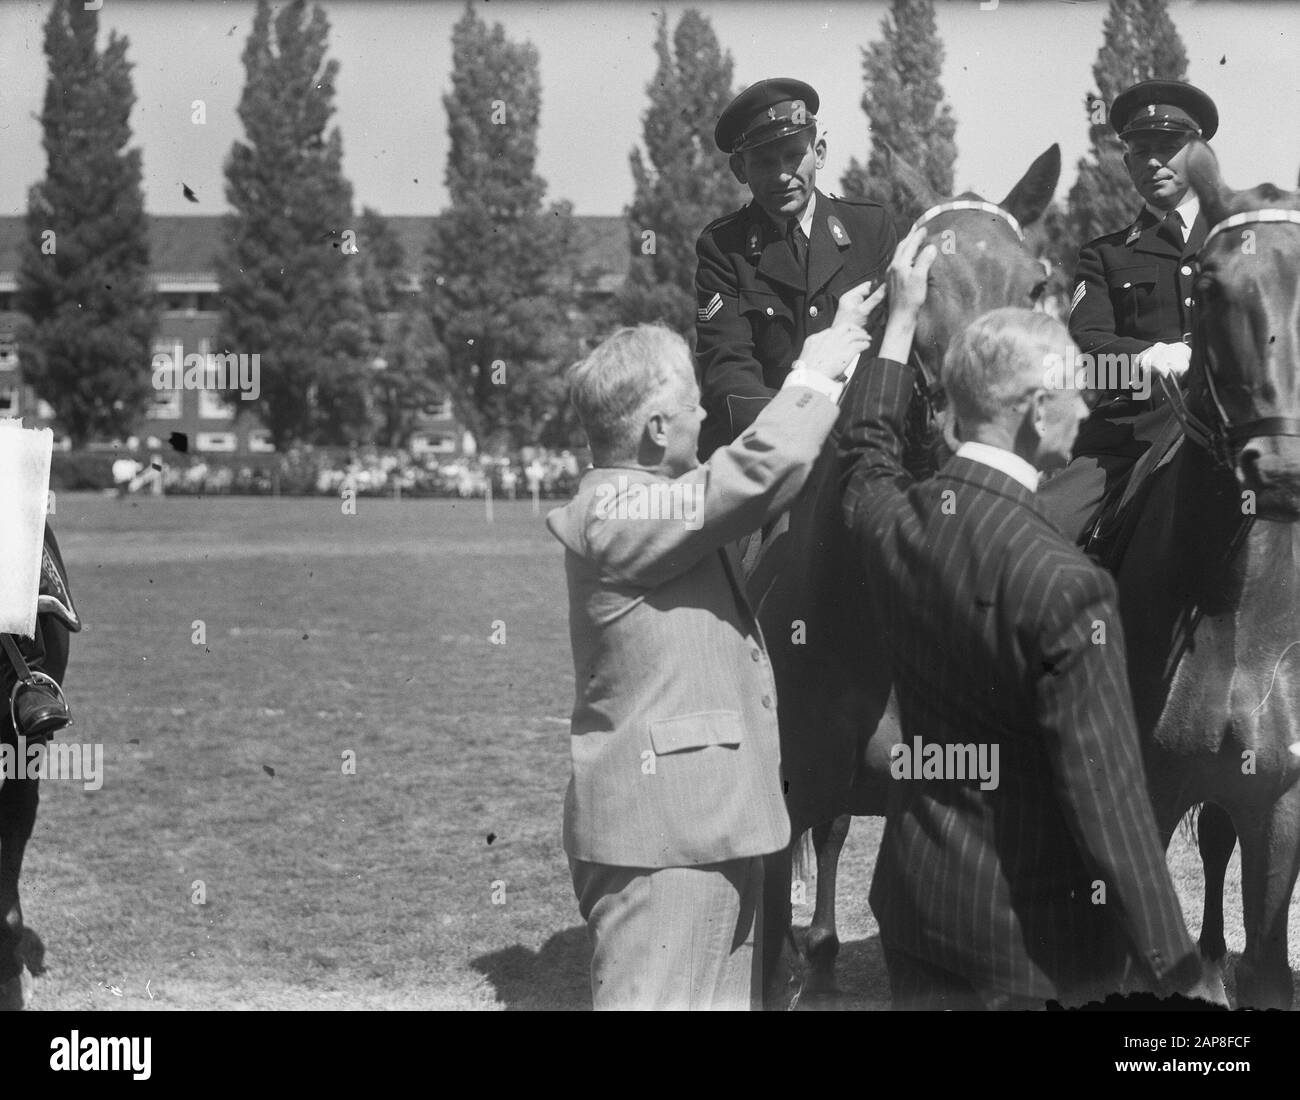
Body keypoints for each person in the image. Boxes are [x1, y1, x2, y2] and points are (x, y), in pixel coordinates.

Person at [838, 229, 1226, 1009]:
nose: (1088, 408)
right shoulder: (1068, 585)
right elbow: (1110, 806)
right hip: (1034, 948)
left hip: (915, 909)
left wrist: (899, 325)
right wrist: (1178, 972)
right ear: (1040, 409)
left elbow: (865, 450)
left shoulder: (892, 521)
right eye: (1077, 391)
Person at [547, 280, 881, 1010]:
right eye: (695, 402)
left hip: (707, 831)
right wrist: (816, 369)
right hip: (664, 846)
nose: (709, 414)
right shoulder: (620, 512)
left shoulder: (661, 506)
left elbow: (738, 479)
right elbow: (757, 472)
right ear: (657, 431)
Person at [1041, 79, 1218, 544]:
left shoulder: (1233, 244)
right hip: (1130, 438)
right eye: (1142, 151)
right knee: (1043, 528)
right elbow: (1088, 352)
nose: (1155, 161)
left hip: (1231, 425)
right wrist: (1145, 360)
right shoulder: (1104, 256)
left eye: (1169, 147)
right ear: (1127, 163)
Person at [694, 77, 898, 459]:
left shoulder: (871, 230)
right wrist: (807, 428)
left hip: (864, 450)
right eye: (765, 162)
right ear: (740, 169)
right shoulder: (723, 250)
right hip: (769, 453)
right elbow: (730, 377)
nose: (783, 175)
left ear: (819, 152)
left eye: (793, 156)